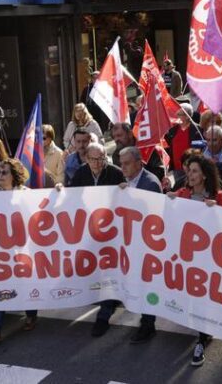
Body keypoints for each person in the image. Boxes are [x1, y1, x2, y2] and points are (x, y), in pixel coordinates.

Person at [167, 155, 222, 366]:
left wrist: (219, 212)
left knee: (204, 297)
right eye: (189, 171)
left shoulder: (218, 198)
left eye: (194, 171)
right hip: (187, 257)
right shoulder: (183, 194)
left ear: (204, 175)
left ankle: (202, 340)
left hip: (209, 259)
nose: (190, 175)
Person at [0, 159, 40, 344]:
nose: (0, 176)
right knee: (2, 284)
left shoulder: (27, 194)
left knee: (25, 282)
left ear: (14, 175)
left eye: (4, 172)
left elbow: (39, 215)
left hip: (24, 248)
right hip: (2, 251)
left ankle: (31, 314)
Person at [67, 143, 125, 336]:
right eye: (93, 159)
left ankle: (104, 314)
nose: (97, 163)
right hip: (89, 231)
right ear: (86, 159)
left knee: (108, 269)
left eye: (101, 159)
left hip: (111, 231)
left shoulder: (116, 174)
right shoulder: (81, 174)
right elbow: (71, 197)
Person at [117, 146, 162, 343]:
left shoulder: (150, 184)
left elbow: (152, 216)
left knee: (147, 285)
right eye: (121, 163)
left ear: (138, 162)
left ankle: (148, 324)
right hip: (130, 242)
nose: (123, 167)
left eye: (127, 163)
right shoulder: (125, 182)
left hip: (146, 244)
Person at [164, 104, 203, 179]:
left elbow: (200, 150)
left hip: (191, 169)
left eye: (179, 114)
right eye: (176, 114)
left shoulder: (198, 130)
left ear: (187, 116)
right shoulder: (172, 130)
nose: (176, 116)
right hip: (175, 169)